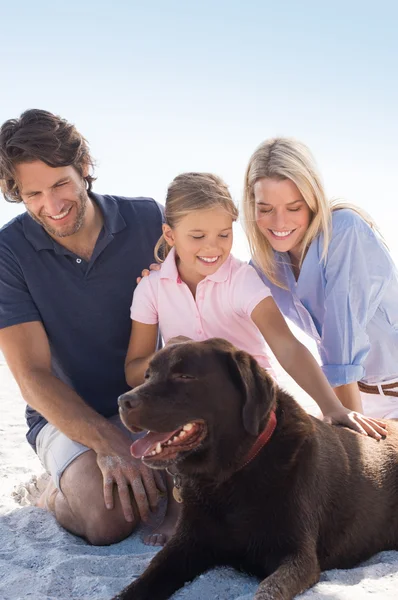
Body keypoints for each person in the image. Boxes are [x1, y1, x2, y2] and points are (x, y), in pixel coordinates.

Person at [126, 171, 387, 545]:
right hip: (191, 401)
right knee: (178, 409)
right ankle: (177, 509)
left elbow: (287, 346)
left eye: (224, 234)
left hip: (250, 403)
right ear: (170, 236)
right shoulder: (152, 289)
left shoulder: (241, 280)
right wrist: (164, 359)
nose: (213, 247)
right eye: (197, 236)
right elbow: (134, 367)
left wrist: (332, 407)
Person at [0, 109, 165, 546]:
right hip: (64, 415)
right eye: (33, 193)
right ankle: (51, 493)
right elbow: (32, 376)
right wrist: (110, 443)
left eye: (60, 184)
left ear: (84, 168)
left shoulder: (150, 221)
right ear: (16, 192)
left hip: (147, 398)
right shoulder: (8, 253)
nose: (51, 207)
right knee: (106, 518)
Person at [243, 137, 398, 419]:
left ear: (313, 200)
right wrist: (159, 276)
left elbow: (342, 335)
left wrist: (349, 435)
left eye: (294, 208)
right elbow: (222, 290)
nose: (280, 223)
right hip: (359, 396)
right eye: (266, 209)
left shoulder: (343, 231)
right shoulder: (265, 267)